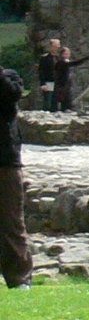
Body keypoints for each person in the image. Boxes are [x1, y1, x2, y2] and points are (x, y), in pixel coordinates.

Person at [0, 60, 29, 287]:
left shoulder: (9, 77)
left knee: (11, 223)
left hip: (6, 163)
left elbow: (12, 94)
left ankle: (19, 279)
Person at [38, 37, 75, 111]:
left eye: (58, 46)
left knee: (58, 101)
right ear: (51, 46)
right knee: (48, 102)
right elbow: (41, 71)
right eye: (55, 46)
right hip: (49, 82)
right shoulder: (45, 58)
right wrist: (42, 84)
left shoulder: (60, 58)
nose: (57, 48)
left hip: (59, 84)